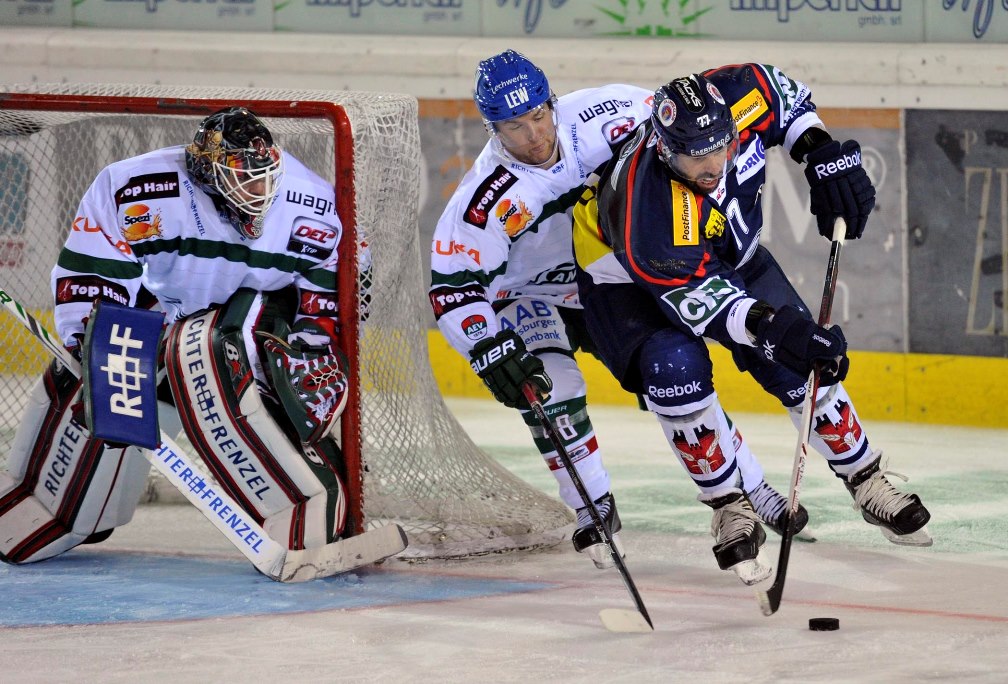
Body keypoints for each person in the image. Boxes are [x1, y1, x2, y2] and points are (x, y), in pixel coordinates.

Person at [429, 50, 805, 570]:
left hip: (611, 279)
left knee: (674, 375)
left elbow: (684, 142)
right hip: (531, 298)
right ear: (491, 127)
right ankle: (591, 506)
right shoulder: (482, 199)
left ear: (552, 102)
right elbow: (452, 287)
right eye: (515, 126)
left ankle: (750, 488)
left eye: (539, 115)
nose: (534, 137)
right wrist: (488, 348)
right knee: (553, 388)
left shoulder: (611, 110)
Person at [571, 64, 932, 585]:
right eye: (695, 156)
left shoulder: (739, 99)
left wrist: (820, 154)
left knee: (807, 366)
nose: (713, 163)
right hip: (624, 285)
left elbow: (785, 99)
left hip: (728, 254)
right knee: (677, 370)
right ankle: (728, 505)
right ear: (664, 149)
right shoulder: (646, 210)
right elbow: (709, 304)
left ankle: (867, 480)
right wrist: (775, 329)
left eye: (722, 147)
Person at [0, 107, 351, 568]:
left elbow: (327, 285)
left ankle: (303, 513)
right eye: (244, 178)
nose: (260, 191)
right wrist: (91, 343)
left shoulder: (310, 200)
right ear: (206, 170)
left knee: (208, 349)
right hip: (167, 309)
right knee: (97, 374)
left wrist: (310, 345)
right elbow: (95, 269)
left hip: (255, 321)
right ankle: (55, 508)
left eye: (266, 177)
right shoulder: (138, 186)